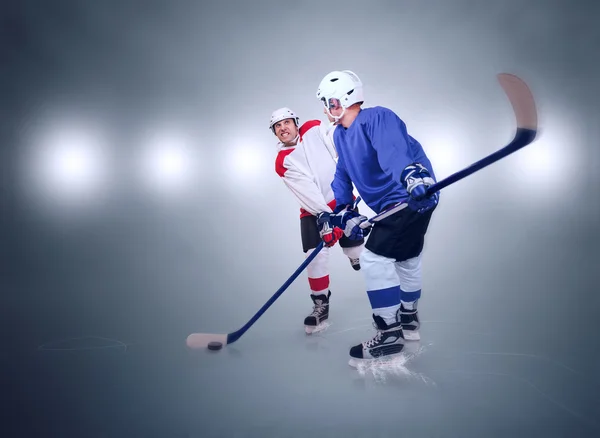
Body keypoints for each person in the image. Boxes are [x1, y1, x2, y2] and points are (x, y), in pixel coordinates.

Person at [313, 71, 439, 365]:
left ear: (340, 100)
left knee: (373, 258)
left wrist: (410, 175)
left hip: (409, 196)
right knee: (407, 259)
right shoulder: (342, 135)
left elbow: (393, 151)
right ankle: (408, 319)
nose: (326, 109)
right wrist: (343, 211)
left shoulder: (376, 118)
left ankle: (389, 334)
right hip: (392, 205)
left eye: (327, 102)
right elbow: (343, 174)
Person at [269, 107, 365, 334]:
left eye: (286, 122)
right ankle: (321, 304)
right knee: (314, 256)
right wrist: (325, 217)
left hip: (341, 199)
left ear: (295, 122)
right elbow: (307, 190)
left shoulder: (312, 128)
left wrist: (354, 161)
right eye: (278, 126)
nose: (283, 128)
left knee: (357, 251)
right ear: (275, 133)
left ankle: (354, 257)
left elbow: (336, 142)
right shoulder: (282, 161)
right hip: (314, 211)